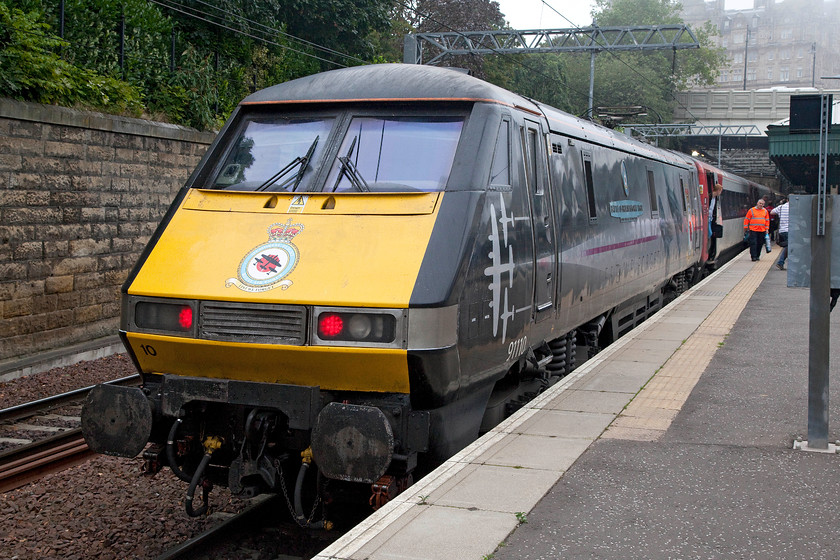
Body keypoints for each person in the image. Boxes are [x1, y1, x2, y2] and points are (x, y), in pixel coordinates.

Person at [771, 198, 789, 270]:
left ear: (787, 200)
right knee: (789, 247)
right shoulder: (795, 207)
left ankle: (781, 263)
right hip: (790, 230)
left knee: (788, 247)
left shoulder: (781, 207)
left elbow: (772, 212)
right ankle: (780, 262)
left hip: (782, 230)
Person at [708, 182, 723, 260]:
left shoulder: (715, 198)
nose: (720, 193)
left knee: (712, 234)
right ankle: (708, 252)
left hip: (711, 219)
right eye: (720, 191)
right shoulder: (709, 197)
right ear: (718, 190)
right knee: (709, 234)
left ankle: (710, 253)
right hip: (707, 219)